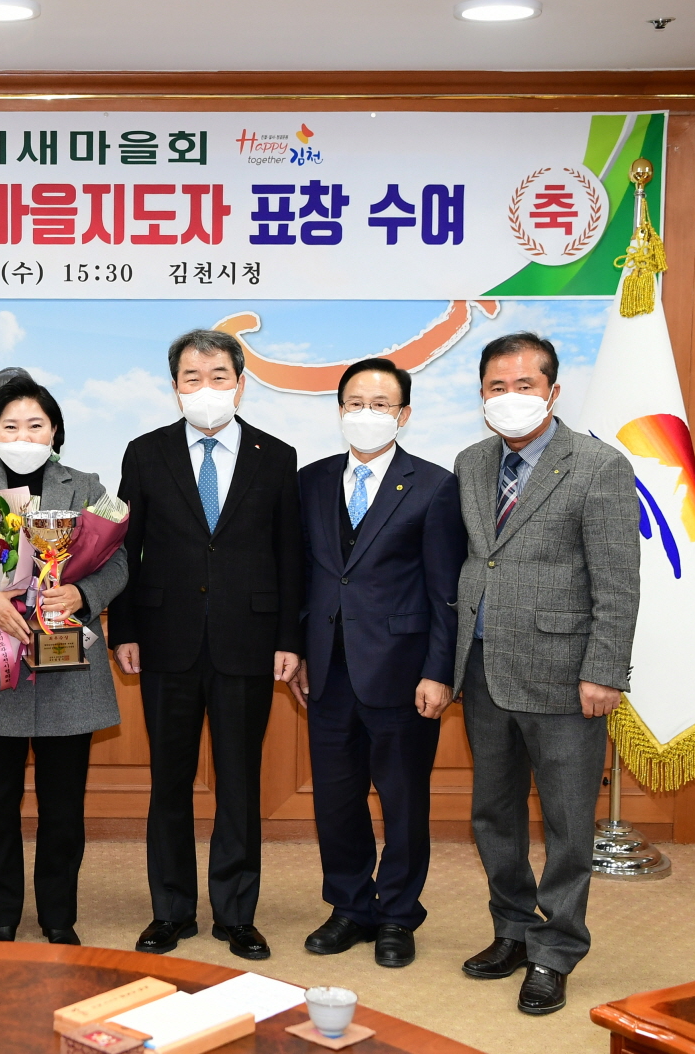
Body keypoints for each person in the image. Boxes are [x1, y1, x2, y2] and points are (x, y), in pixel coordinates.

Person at [453, 332, 638, 1015]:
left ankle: (555, 951)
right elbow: (480, 561)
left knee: (565, 823)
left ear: (553, 392)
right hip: (483, 669)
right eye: (497, 387)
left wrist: (604, 670)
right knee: (493, 813)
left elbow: (617, 580)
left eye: (524, 385)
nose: (510, 398)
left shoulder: (598, 465)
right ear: (482, 395)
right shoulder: (472, 462)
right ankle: (512, 929)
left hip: (566, 675)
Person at [107, 329, 302, 962]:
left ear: (240, 384)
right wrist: (125, 628)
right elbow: (125, 549)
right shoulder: (145, 453)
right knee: (169, 782)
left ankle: (237, 914)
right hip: (165, 639)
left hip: (250, 641)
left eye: (219, 376)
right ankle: (170, 911)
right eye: (192, 378)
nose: (206, 388)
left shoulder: (277, 456)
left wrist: (289, 638)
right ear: (175, 387)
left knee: (240, 783)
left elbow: (290, 556)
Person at [0, 376, 128, 946]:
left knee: (63, 805)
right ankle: (1, 917)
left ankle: (59, 917)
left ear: (55, 431)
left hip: (67, 666)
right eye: (11, 426)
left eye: (35, 425)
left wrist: (83, 596)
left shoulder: (86, 487)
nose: (24, 435)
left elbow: (117, 562)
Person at [292, 358, 465, 968]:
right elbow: (302, 576)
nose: (366, 414)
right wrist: (300, 650)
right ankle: (349, 907)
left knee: (403, 800)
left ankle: (397, 914)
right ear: (340, 411)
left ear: (404, 414)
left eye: (381, 404)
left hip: (404, 671)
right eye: (355, 403)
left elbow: (447, 591)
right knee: (336, 799)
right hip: (327, 670)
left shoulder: (435, 486)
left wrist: (439, 671)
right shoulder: (310, 481)